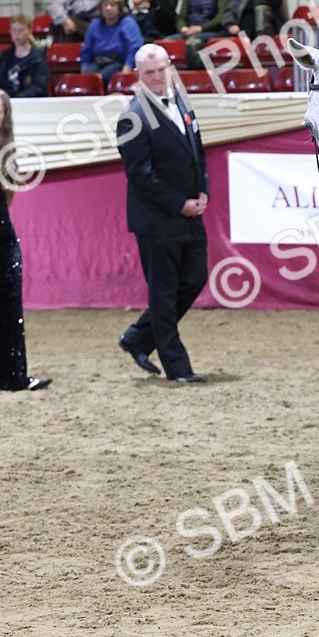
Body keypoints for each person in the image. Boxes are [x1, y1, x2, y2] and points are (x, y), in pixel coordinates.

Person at [116, 44, 209, 383]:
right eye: (149, 73)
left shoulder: (182, 102)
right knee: (164, 293)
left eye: (161, 70)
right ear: (138, 76)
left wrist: (203, 191)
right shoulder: (133, 117)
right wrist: (178, 204)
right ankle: (178, 368)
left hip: (191, 213)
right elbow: (140, 175)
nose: (156, 77)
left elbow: (196, 151)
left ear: (170, 68)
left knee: (196, 277)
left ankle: (139, 337)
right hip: (157, 220)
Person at [0, 89, 50, 391]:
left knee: (7, 307)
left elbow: (6, 202)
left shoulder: (8, 153)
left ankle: (10, 374)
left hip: (3, 241)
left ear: (4, 118)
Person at [80, 0, 143, 87]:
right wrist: (84, 67)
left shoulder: (128, 23)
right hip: (98, 62)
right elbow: (86, 49)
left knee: (102, 77)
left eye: (112, 5)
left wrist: (127, 69)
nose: (108, 8)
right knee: (87, 78)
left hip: (118, 63)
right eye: (105, 5)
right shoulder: (95, 25)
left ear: (120, 8)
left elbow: (135, 48)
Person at [0, 15, 48, 98]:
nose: (17, 34)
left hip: (30, 101)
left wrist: (18, 98)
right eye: (14, 30)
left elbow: (40, 86)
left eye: (21, 30)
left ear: (29, 31)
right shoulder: (5, 56)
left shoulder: (38, 57)